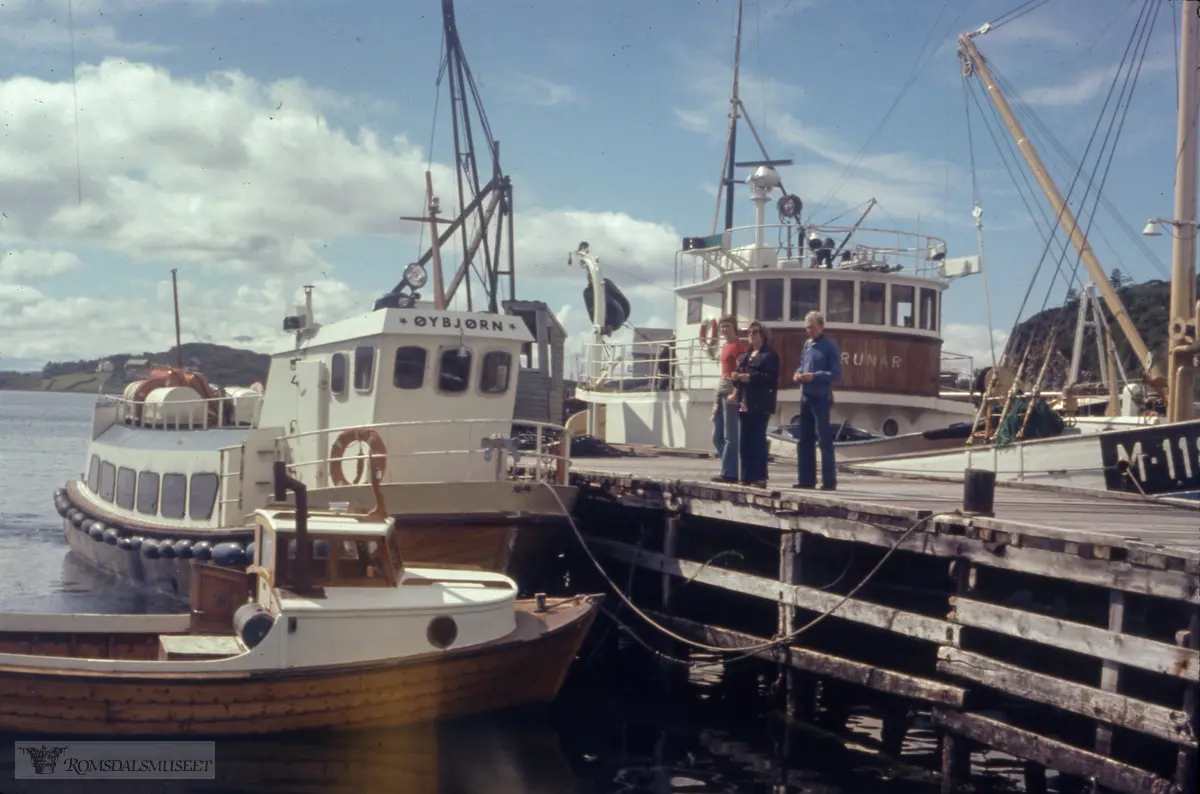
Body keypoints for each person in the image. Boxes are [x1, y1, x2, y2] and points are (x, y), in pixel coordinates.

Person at [792, 310, 842, 490]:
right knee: (804, 438)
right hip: (805, 395)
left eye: (812, 327)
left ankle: (829, 481)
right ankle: (806, 479)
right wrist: (797, 374)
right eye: (807, 328)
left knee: (823, 438)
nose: (809, 331)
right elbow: (802, 365)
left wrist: (815, 376)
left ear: (821, 326)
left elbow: (836, 373)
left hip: (821, 397)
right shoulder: (807, 344)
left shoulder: (830, 346)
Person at [730, 321, 779, 489]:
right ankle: (745, 476)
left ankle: (759, 477)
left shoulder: (770, 355)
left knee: (758, 440)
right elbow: (739, 378)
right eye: (749, 332)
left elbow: (770, 378)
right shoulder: (745, 356)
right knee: (745, 440)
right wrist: (736, 378)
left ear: (762, 335)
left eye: (755, 332)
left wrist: (750, 377)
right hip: (745, 403)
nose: (751, 335)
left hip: (760, 404)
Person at [707, 315, 747, 483]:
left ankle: (728, 473)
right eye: (722, 326)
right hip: (721, 390)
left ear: (734, 328)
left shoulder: (738, 346)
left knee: (731, 434)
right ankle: (729, 465)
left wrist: (737, 393)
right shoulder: (724, 346)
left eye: (727, 326)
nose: (724, 329)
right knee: (717, 436)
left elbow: (741, 368)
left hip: (732, 390)